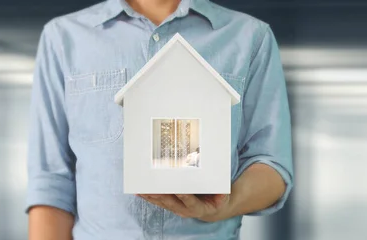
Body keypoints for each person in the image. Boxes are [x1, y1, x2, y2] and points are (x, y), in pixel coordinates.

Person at [26, 0, 294, 239]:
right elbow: (50, 181)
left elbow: (271, 164)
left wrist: (224, 204)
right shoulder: (63, 37)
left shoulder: (250, 37)